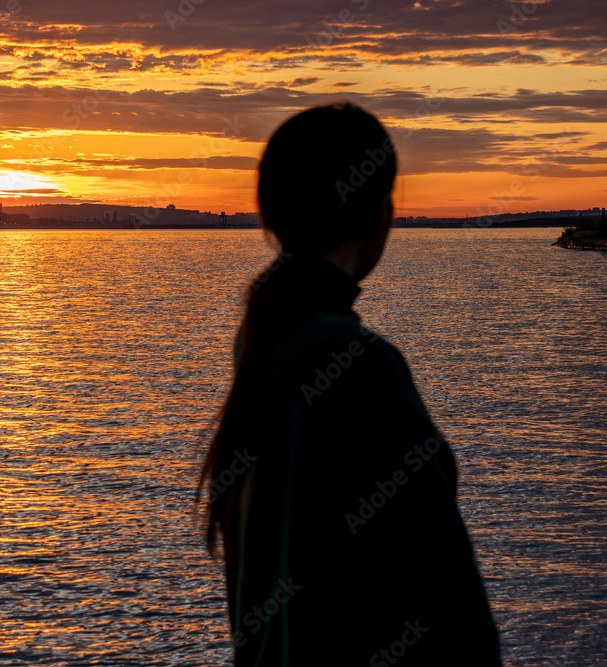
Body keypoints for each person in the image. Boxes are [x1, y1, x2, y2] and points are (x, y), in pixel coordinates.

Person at [199, 102, 502, 665]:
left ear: (270, 218)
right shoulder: (356, 362)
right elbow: (450, 605)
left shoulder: (267, 338)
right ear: (377, 211)